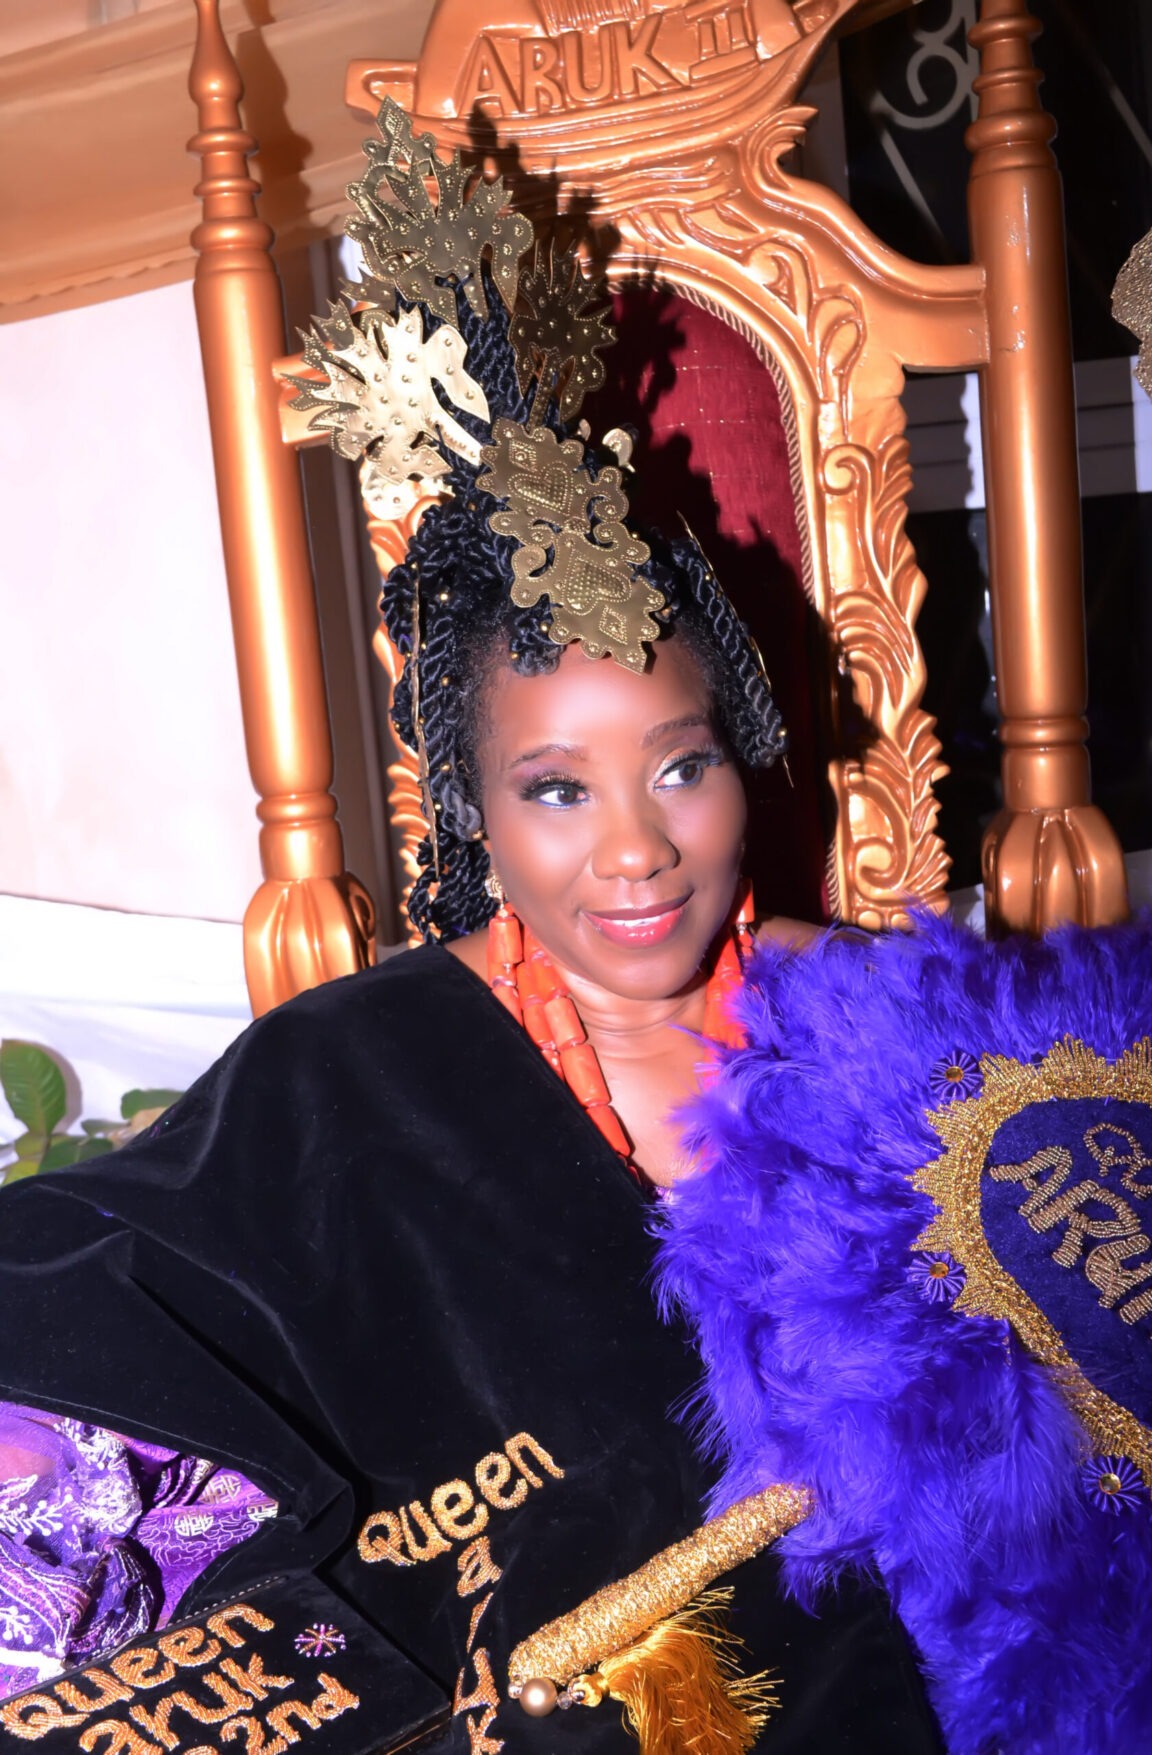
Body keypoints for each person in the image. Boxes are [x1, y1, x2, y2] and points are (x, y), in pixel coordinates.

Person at [0, 101, 944, 1755]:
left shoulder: (900, 1025)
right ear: (473, 813)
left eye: (681, 767)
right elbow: (110, 1293)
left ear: (746, 755)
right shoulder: (355, 1076)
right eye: (555, 791)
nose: (636, 850)